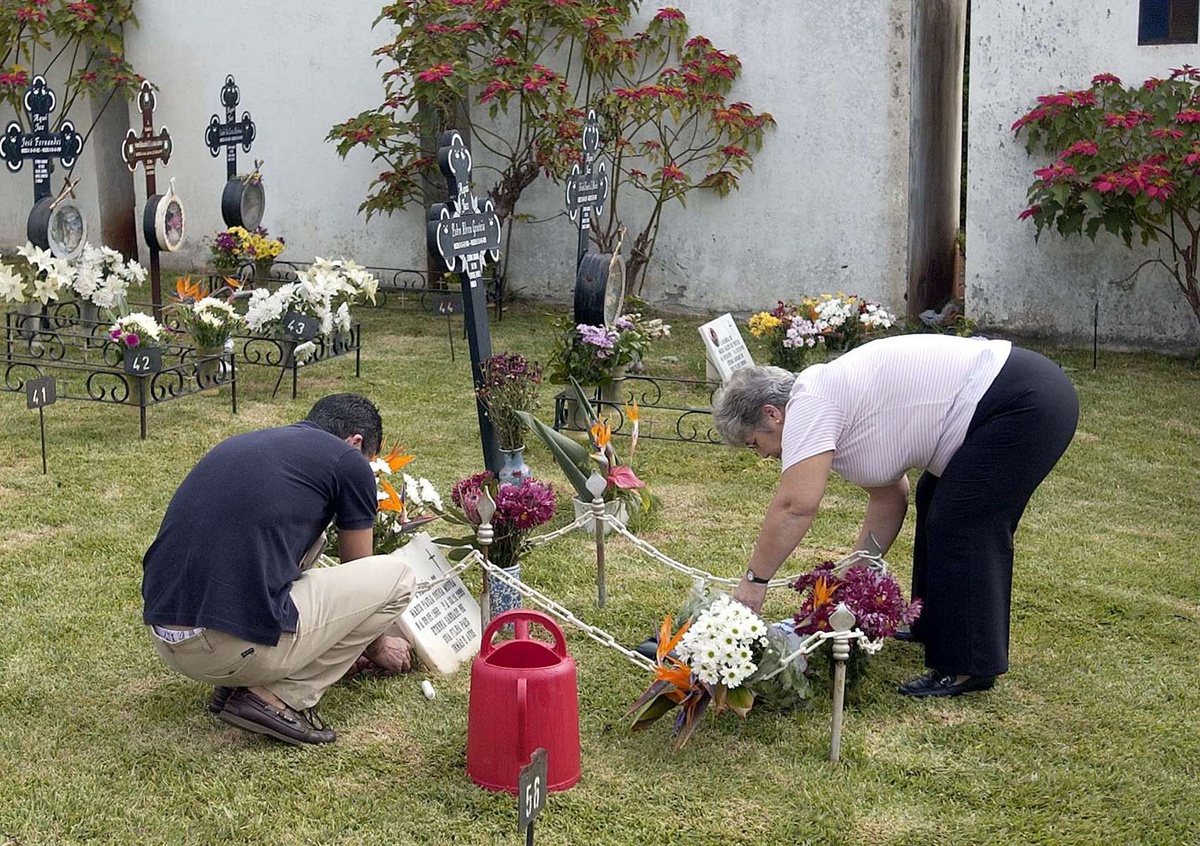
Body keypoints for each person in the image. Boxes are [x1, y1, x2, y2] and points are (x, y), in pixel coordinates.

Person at [712, 334, 1078, 698]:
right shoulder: (829, 406)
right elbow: (889, 498)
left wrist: (754, 582)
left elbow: (795, 505)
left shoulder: (810, 402)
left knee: (962, 519)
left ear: (772, 414)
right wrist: (852, 580)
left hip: (1022, 401)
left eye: (754, 444)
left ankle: (969, 664)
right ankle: (931, 623)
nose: (761, 456)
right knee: (934, 497)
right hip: (1021, 393)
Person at [142, 393, 417, 744]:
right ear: (356, 442)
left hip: (166, 639)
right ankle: (275, 697)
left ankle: (240, 681)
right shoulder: (348, 460)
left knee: (299, 555)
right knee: (397, 577)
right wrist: (378, 649)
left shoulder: (245, 443)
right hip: (227, 649)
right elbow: (361, 567)